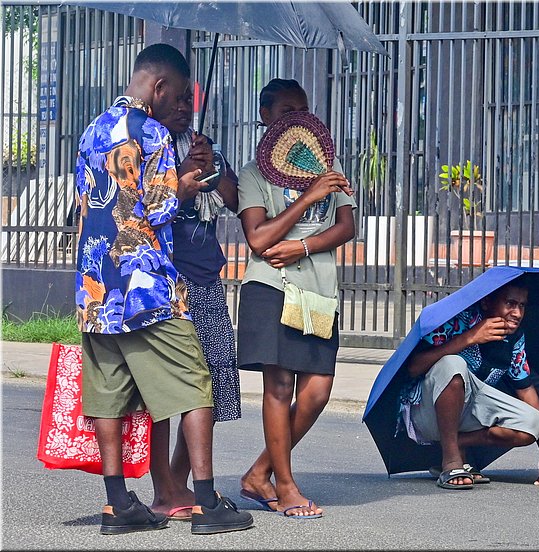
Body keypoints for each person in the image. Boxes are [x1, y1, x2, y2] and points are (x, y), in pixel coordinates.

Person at [74, 43, 253, 535]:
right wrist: (186, 186)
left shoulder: (92, 130)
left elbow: (89, 203)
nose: (181, 105)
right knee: (195, 383)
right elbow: (157, 209)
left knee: (108, 395)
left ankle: (117, 505)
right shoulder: (151, 132)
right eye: (177, 95)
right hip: (146, 287)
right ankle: (206, 504)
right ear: (158, 87)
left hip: (95, 288)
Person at [234, 78, 356, 518]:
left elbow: (347, 226)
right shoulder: (253, 173)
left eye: (302, 111)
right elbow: (258, 237)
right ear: (265, 115)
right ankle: (284, 486)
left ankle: (259, 473)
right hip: (272, 286)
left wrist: (303, 246)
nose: (296, 119)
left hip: (318, 288)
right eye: (287, 111)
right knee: (280, 386)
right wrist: (308, 197)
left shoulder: (329, 163)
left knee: (317, 391)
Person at [147, 86, 242, 522]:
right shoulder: (148, 149)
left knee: (210, 387)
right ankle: (163, 489)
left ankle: (178, 481)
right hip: (168, 283)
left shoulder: (205, 148)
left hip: (205, 279)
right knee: (166, 392)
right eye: (178, 99)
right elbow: (146, 211)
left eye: (190, 101)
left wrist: (212, 169)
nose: (185, 107)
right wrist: (181, 176)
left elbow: (235, 199)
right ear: (159, 96)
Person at [399, 278, 539, 489]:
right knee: (453, 364)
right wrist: (470, 337)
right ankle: (451, 460)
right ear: (487, 302)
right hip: (427, 411)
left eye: (522, 305)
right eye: (510, 303)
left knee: (533, 422)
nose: (517, 313)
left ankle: (454, 443)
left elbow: (526, 390)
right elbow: (413, 367)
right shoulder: (458, 320)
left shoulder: (514, 337)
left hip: (470, 409)